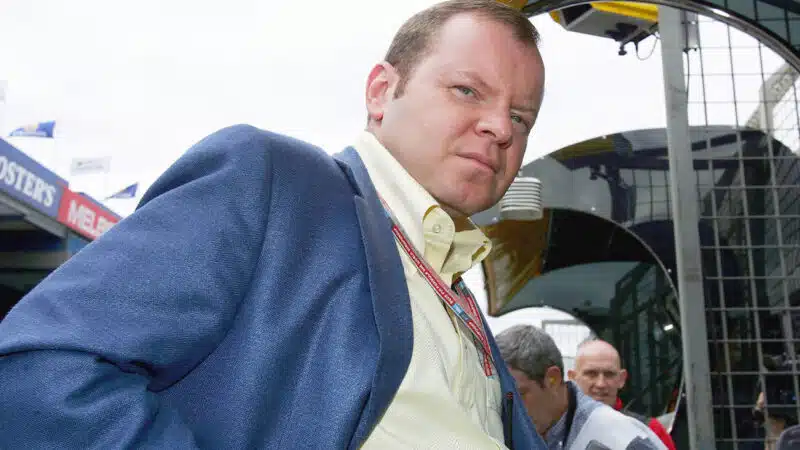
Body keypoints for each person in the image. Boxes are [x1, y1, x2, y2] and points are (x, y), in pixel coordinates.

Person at [0, 1, 547, 449]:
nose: (500, 127)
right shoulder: (275, 183)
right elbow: (35, 372)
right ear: (381, 92)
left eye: (521, 117)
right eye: (467, 91)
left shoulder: (455, 283)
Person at [496, 325, 667, 449]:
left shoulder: (620, 442)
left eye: (517, 396)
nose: (506, 410)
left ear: (553, 379)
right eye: (499, 398)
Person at [568, 339, 677, 450]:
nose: (601, 384)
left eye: (609, 374)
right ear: (572, 378)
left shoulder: (650, 431)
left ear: (622, 379)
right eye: (591, 374)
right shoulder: (555, 434)